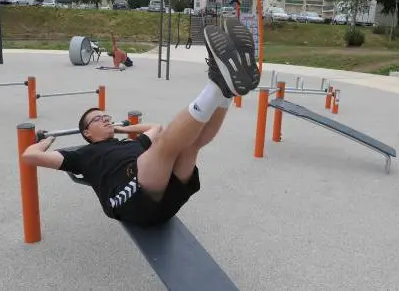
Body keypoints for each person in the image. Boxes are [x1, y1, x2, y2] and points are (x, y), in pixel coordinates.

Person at [21, 18, 260, 227]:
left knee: (190, 145)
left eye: (107, 116)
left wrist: (122, 128)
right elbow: (29, 156)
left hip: (167, 197)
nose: (105, 120)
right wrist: (48, 140)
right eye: (98, 119)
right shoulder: (82, 155)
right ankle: (217, 84)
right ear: (87, 132)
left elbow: (154, 128)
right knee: (165, 147)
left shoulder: (128, 145)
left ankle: (225, 93)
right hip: (131, 201)